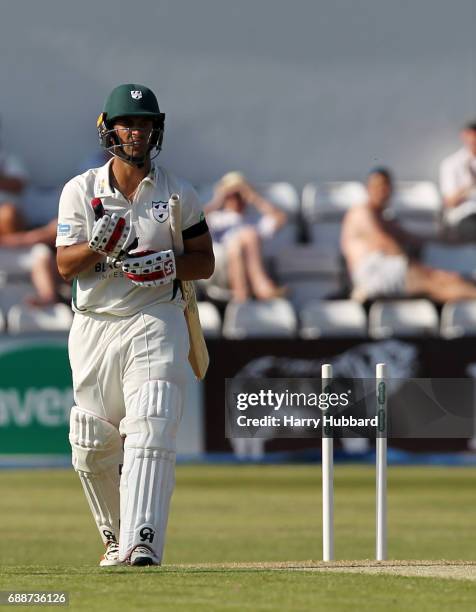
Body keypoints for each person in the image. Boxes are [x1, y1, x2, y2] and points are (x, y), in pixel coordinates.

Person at [56, 83, 214, 567]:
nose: (136, 133)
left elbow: (203, 261)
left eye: (144, 124)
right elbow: (65, 265)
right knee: (90, 441)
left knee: (152, 419)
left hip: (155, 316)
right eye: (127, 123)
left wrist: (167, 264)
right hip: (94, 325)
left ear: (155, 130)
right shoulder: (81, 191)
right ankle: (115, 538)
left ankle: (142, 542)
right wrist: (99, 246)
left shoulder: (176, 192)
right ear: (107, 129)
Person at [341, 167, 476, 303]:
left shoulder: (386, 220)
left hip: (391, 270)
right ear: (368, 188)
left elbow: (414, 239)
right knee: (436, 280)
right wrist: (416, 266)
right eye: (377, 185)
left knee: (444, 280)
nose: (382, 190)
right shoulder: (361, 212)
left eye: (385, 186)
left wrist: (452, 241)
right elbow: (384, 242)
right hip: (373, 273)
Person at [205, 172, 286, 302]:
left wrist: (253, 197)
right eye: (232, 195)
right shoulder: (216, 218)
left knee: (246, 238)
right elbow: (192, 221)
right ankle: (261, 286)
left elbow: (280, 218)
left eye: (240, 195)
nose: (237, 199)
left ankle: (241, 295)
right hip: (221, 270)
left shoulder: (253, 219)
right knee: (245, 237)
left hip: (244, 264)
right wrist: (217, 200)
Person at [439, 120, 476, 240]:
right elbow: (449, 202)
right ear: (464, 136)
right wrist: (470, 185)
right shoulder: (451, 164)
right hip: (464, 216)